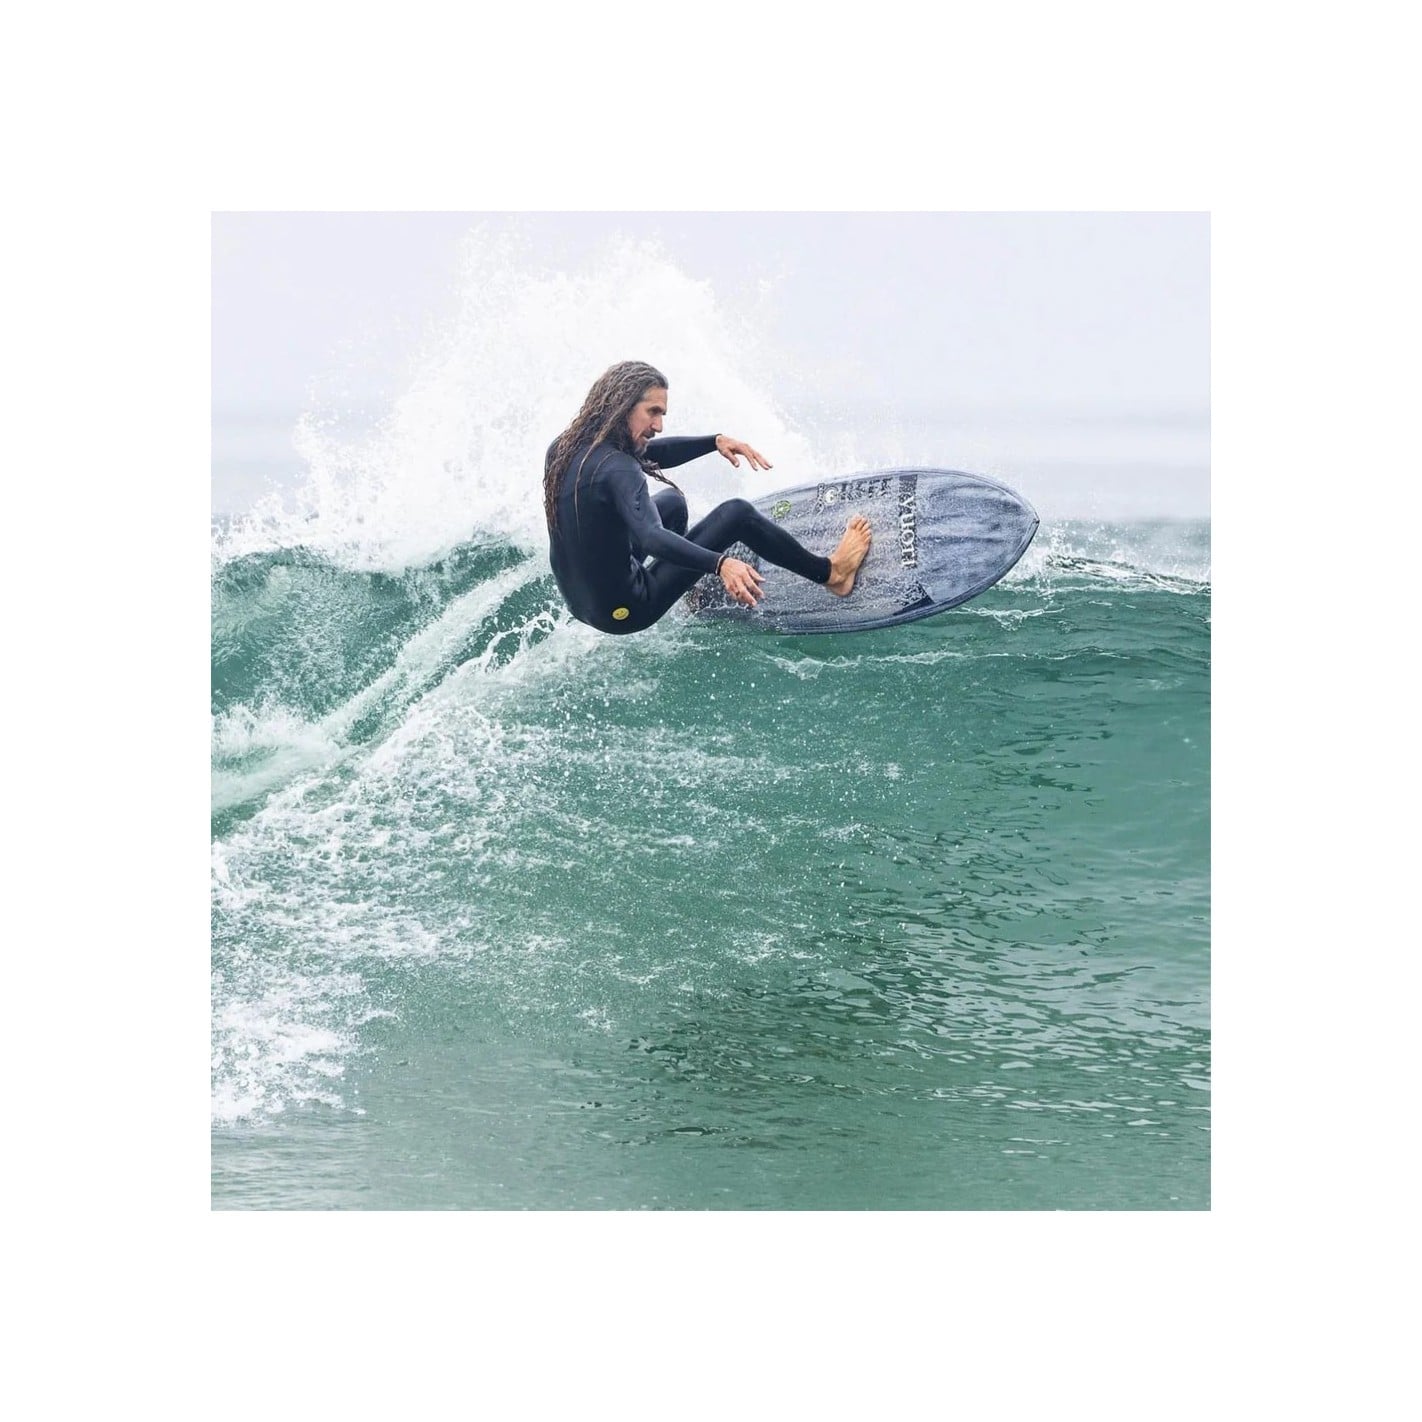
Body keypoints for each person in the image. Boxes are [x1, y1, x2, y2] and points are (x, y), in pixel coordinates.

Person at [544, 360, 872, 635]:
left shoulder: (564, 448)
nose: (658, 425)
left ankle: (688, 589)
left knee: (672, 503)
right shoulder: (620, 469)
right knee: (737, 514)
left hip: (581, 602)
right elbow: (651, 537)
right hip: (626, 609)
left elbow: (647, 455)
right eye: (652, 412)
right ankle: (832, 574)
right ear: (622, 405)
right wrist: (721, 564)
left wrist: (713, 442)